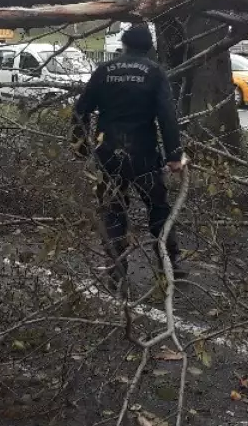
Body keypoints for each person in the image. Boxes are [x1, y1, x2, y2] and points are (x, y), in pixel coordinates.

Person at [71, 23, 187, 291]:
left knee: (113, 210)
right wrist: (174, 154)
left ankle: (117, 269)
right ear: (149, 47)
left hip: (108, 154)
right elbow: (167, 117)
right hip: (144, 154)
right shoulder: (155, 73)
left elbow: (81, 110)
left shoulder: (104, 71)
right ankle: (171, 262)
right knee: (158, 208)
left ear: (123, 45)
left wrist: (81, 146)